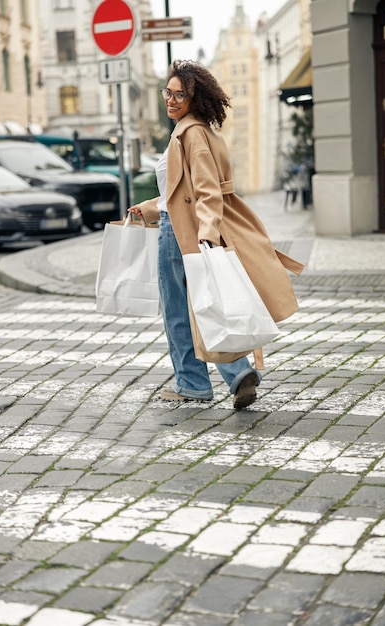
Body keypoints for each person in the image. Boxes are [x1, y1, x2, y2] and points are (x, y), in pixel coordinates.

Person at [129, 60, 303, 409]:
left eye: (181, 94)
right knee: (205, 304)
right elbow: (182, 189)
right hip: (182, 224)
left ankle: (195, 382)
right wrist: (151, 207)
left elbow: (207, 191)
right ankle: (236, 373)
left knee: (180, 310)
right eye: (169, 92)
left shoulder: (190, 133)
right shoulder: (200, 130)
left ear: (196, 97)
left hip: (180, 232)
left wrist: (205, 231)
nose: (172, 100)